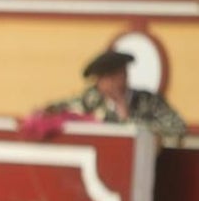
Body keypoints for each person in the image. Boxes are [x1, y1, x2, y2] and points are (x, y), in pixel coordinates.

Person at [41, 49, 187, 141]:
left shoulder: (148, 101)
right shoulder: (92, 99)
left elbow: (178, 129)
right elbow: (56, 110)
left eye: (111, 76)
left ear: (123, 75)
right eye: (101, 79)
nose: (105, 83)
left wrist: (129, 120)